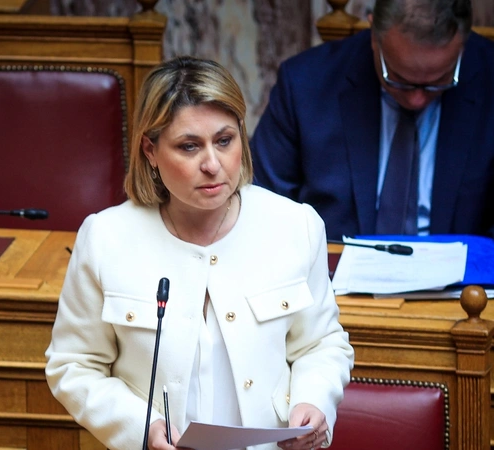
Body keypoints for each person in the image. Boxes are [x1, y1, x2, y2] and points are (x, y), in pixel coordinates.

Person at [45, 56, 354, 450]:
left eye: (224, 141)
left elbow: (320, 344)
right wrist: (142, 428)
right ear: (150, 150)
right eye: (189, 146)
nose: (212, 164)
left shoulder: (296, 226)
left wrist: (313, 400)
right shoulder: (106, 238)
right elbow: (74, 365)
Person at [250, 0, 494, 241]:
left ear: (462, 47)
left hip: (466, 266)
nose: (417, 100)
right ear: (374, 36)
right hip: (332, 260)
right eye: (399, 79)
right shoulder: (306, 84)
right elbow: (260, 203)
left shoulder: (489, 77)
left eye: (437, 81)